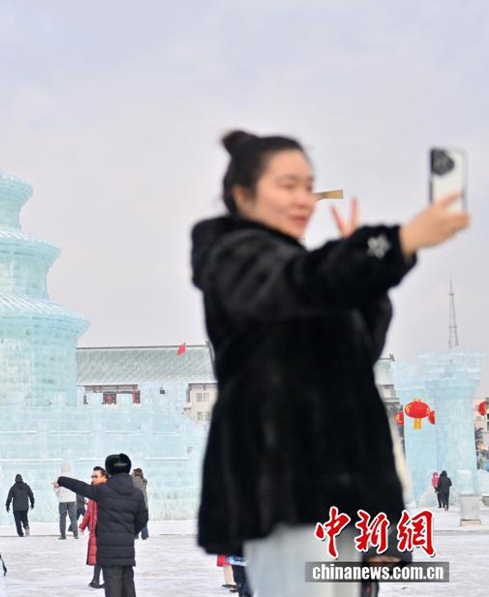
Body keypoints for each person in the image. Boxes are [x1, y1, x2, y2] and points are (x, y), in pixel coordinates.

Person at [191, 130, 469, 597]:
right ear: (242, 194)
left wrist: (363, 282)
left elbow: (363, 347)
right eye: (288, 185)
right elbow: (300, 281)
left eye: (309, 185)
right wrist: (390, 244)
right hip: (284, 485)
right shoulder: (228, 254)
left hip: (347, 494)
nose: (304, 198)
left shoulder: (305, 272)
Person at [57, 453, 147, 597]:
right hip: (127, 549)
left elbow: (81, 487)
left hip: (108, 550)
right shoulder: (136, 494)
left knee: (113, 586)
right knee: (128, 583)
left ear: (109, 471)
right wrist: (128, 532)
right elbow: (142, 519)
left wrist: (62, 480)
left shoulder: (103, 491)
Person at [80, 466, 108, 589]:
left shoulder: (105, 492)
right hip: (95, 531)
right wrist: (82, 526)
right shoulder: (93, 494)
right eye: (92, 477)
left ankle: (100, 580)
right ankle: (96, 580)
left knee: (102, 557)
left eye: (95, 477)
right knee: (100, 557)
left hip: (103, 529)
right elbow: (88, 513)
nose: (93, 479)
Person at [54, 463, 79, 540]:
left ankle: (63, 535)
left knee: (62, 517)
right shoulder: (74, 476)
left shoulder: (59, 476)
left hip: (62, 500)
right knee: (73, 517)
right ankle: (75, 534)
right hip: (72, 499)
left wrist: (59, 495)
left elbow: (55, 488)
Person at [131, 468, 149, 540]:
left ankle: (135, 535)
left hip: (135, 504)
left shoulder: (133, 481)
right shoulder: (144, 481)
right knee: (143, 521)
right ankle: (145, 536)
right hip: (144, 504)